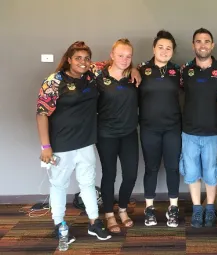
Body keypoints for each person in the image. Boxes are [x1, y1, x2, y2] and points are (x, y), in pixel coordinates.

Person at [36, 41, 111, 242]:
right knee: (59, 185)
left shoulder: (92, 75)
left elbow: (113, 62)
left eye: (87, 58)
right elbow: (42, 114)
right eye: (78, 58)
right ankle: (59, 225)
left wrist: (135, 70)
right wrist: (46, 146)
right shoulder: (54, 81)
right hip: (61, 145)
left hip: (86, 142)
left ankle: (94, 222)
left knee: (88, 184)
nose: (83, 62)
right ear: (69, 59)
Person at [179, 28, 217, 228]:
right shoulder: (184, 70)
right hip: (189, 131)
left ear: (212, 45)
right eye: (198, 41)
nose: (202, 45)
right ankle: (197, 209)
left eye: (206, 41)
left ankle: (210, 208)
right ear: (193, 45)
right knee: (191, 172)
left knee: (211, 172)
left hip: (213, 132)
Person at [137, 30, 181, 228]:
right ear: (154, 48)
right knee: (151, 168)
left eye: (168, 48)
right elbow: (113, 67)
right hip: (149, 129)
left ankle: (173, 208)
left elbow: (211, 68)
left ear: (173, 51)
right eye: (160, 47)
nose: (164, 51)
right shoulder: (140, 69)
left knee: (172, 168)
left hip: (172, 128)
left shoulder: (179, 71)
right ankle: (149, 208)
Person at [95, 38, 139, 233]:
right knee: (109, 175)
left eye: (128, 56)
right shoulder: (98, 77)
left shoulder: (134, 77)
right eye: (120, 55)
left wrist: (135, 68)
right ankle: (109, 214)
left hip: (129, 133)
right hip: (106, 134)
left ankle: (122, 210)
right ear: (112, 55)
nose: (124, 59)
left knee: (130, 175)